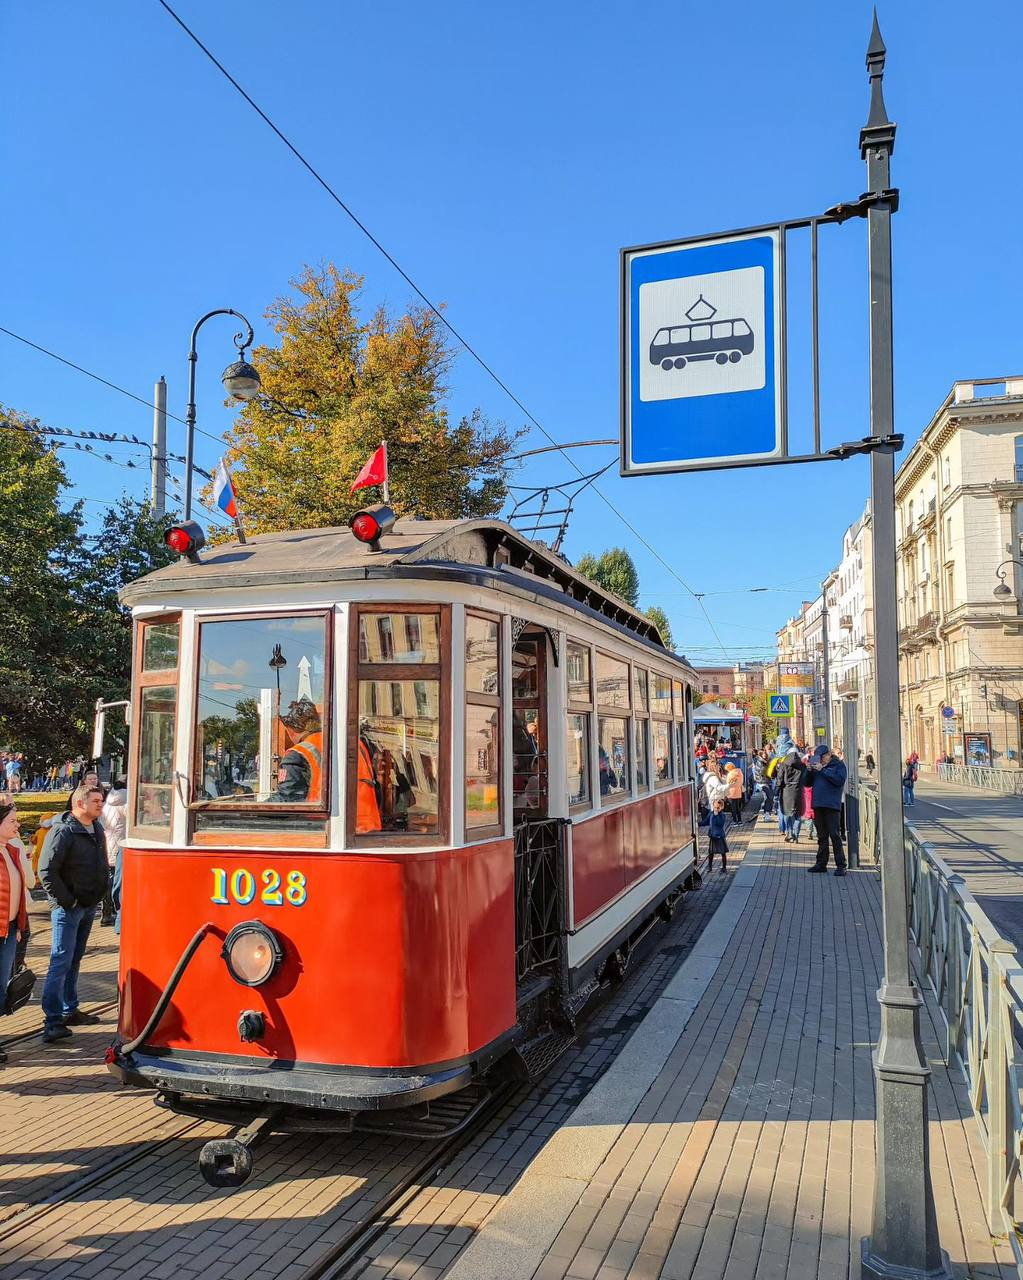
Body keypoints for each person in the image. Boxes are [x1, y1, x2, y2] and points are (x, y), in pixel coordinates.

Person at [38, 783, 109, 1043]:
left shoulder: (96, 828)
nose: (101, 805)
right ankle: (52, 1021)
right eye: (96, 801)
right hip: (69, 909)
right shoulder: (64, 831)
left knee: (75, 959)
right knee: (60, 961)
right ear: (79, 803)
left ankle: (70, 1009)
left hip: (88, 905)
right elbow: (46, 871)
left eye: (101, 800)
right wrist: (68, 901)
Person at [0, 802, 30, 1064]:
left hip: (9, 931)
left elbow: (20, 890)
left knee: (1, 987)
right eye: (12, 821)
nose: (17, 825)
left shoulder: (12, 850)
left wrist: (18, 926)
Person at [807, 745, 848, 876]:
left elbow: (839, 780)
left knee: (834, 835)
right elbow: (807, 783)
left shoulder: (838, 765)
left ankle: (841, 865)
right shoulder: (817, 766)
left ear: (829, 755)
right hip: (818, 804)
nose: (820, 760)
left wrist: (823, 770)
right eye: (818, 758)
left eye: (822, 757)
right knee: (822, 836)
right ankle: (821, 864)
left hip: (831, 805)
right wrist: (808, 771)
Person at [275, 700, 323, 803]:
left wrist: (252, 807)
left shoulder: (296, 754)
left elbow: (287, 798)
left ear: (291, 729)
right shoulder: (338, 743)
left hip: (317, 811)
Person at [100, 780, 128, 926]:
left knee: (109, 878)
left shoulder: (108, 801)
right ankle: (115, 913)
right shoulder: (126, 800)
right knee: (117, 880)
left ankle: (106, 912)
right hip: (119, 845)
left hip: (108, 842)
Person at [775, 745, 806, 843]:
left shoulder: (784, 764)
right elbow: (805, 779)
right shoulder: (802, 765)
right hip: (798, 791)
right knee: (798, 814)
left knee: (787, 813)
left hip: (786, 792)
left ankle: (789, 833)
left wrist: (777, 791)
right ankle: (796, 835)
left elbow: (779, 779)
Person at [707, 799, 728, 872]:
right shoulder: (712, 814)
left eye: (718, 808)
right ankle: (709, 867)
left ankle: (724, 867)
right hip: (713, 836)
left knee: (723, 852)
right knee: (711, 853)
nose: (716, 809)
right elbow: (707, 821)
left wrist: (716, 816)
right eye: (715, 807)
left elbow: (720, 824)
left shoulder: (722, 815)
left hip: (720, 836)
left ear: (721, 807)